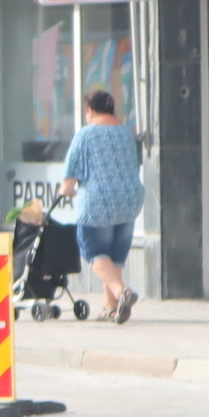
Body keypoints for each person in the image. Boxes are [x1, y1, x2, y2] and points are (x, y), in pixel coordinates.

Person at [57, 89, 143, 322]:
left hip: (98, 203)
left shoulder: (86, 135)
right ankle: (111, 307)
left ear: (89, 110)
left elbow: (68, 181)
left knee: (94, 252)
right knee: (114, 255)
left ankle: (121, 292)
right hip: (130, 201)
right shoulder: (126, 133)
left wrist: (67, 191)